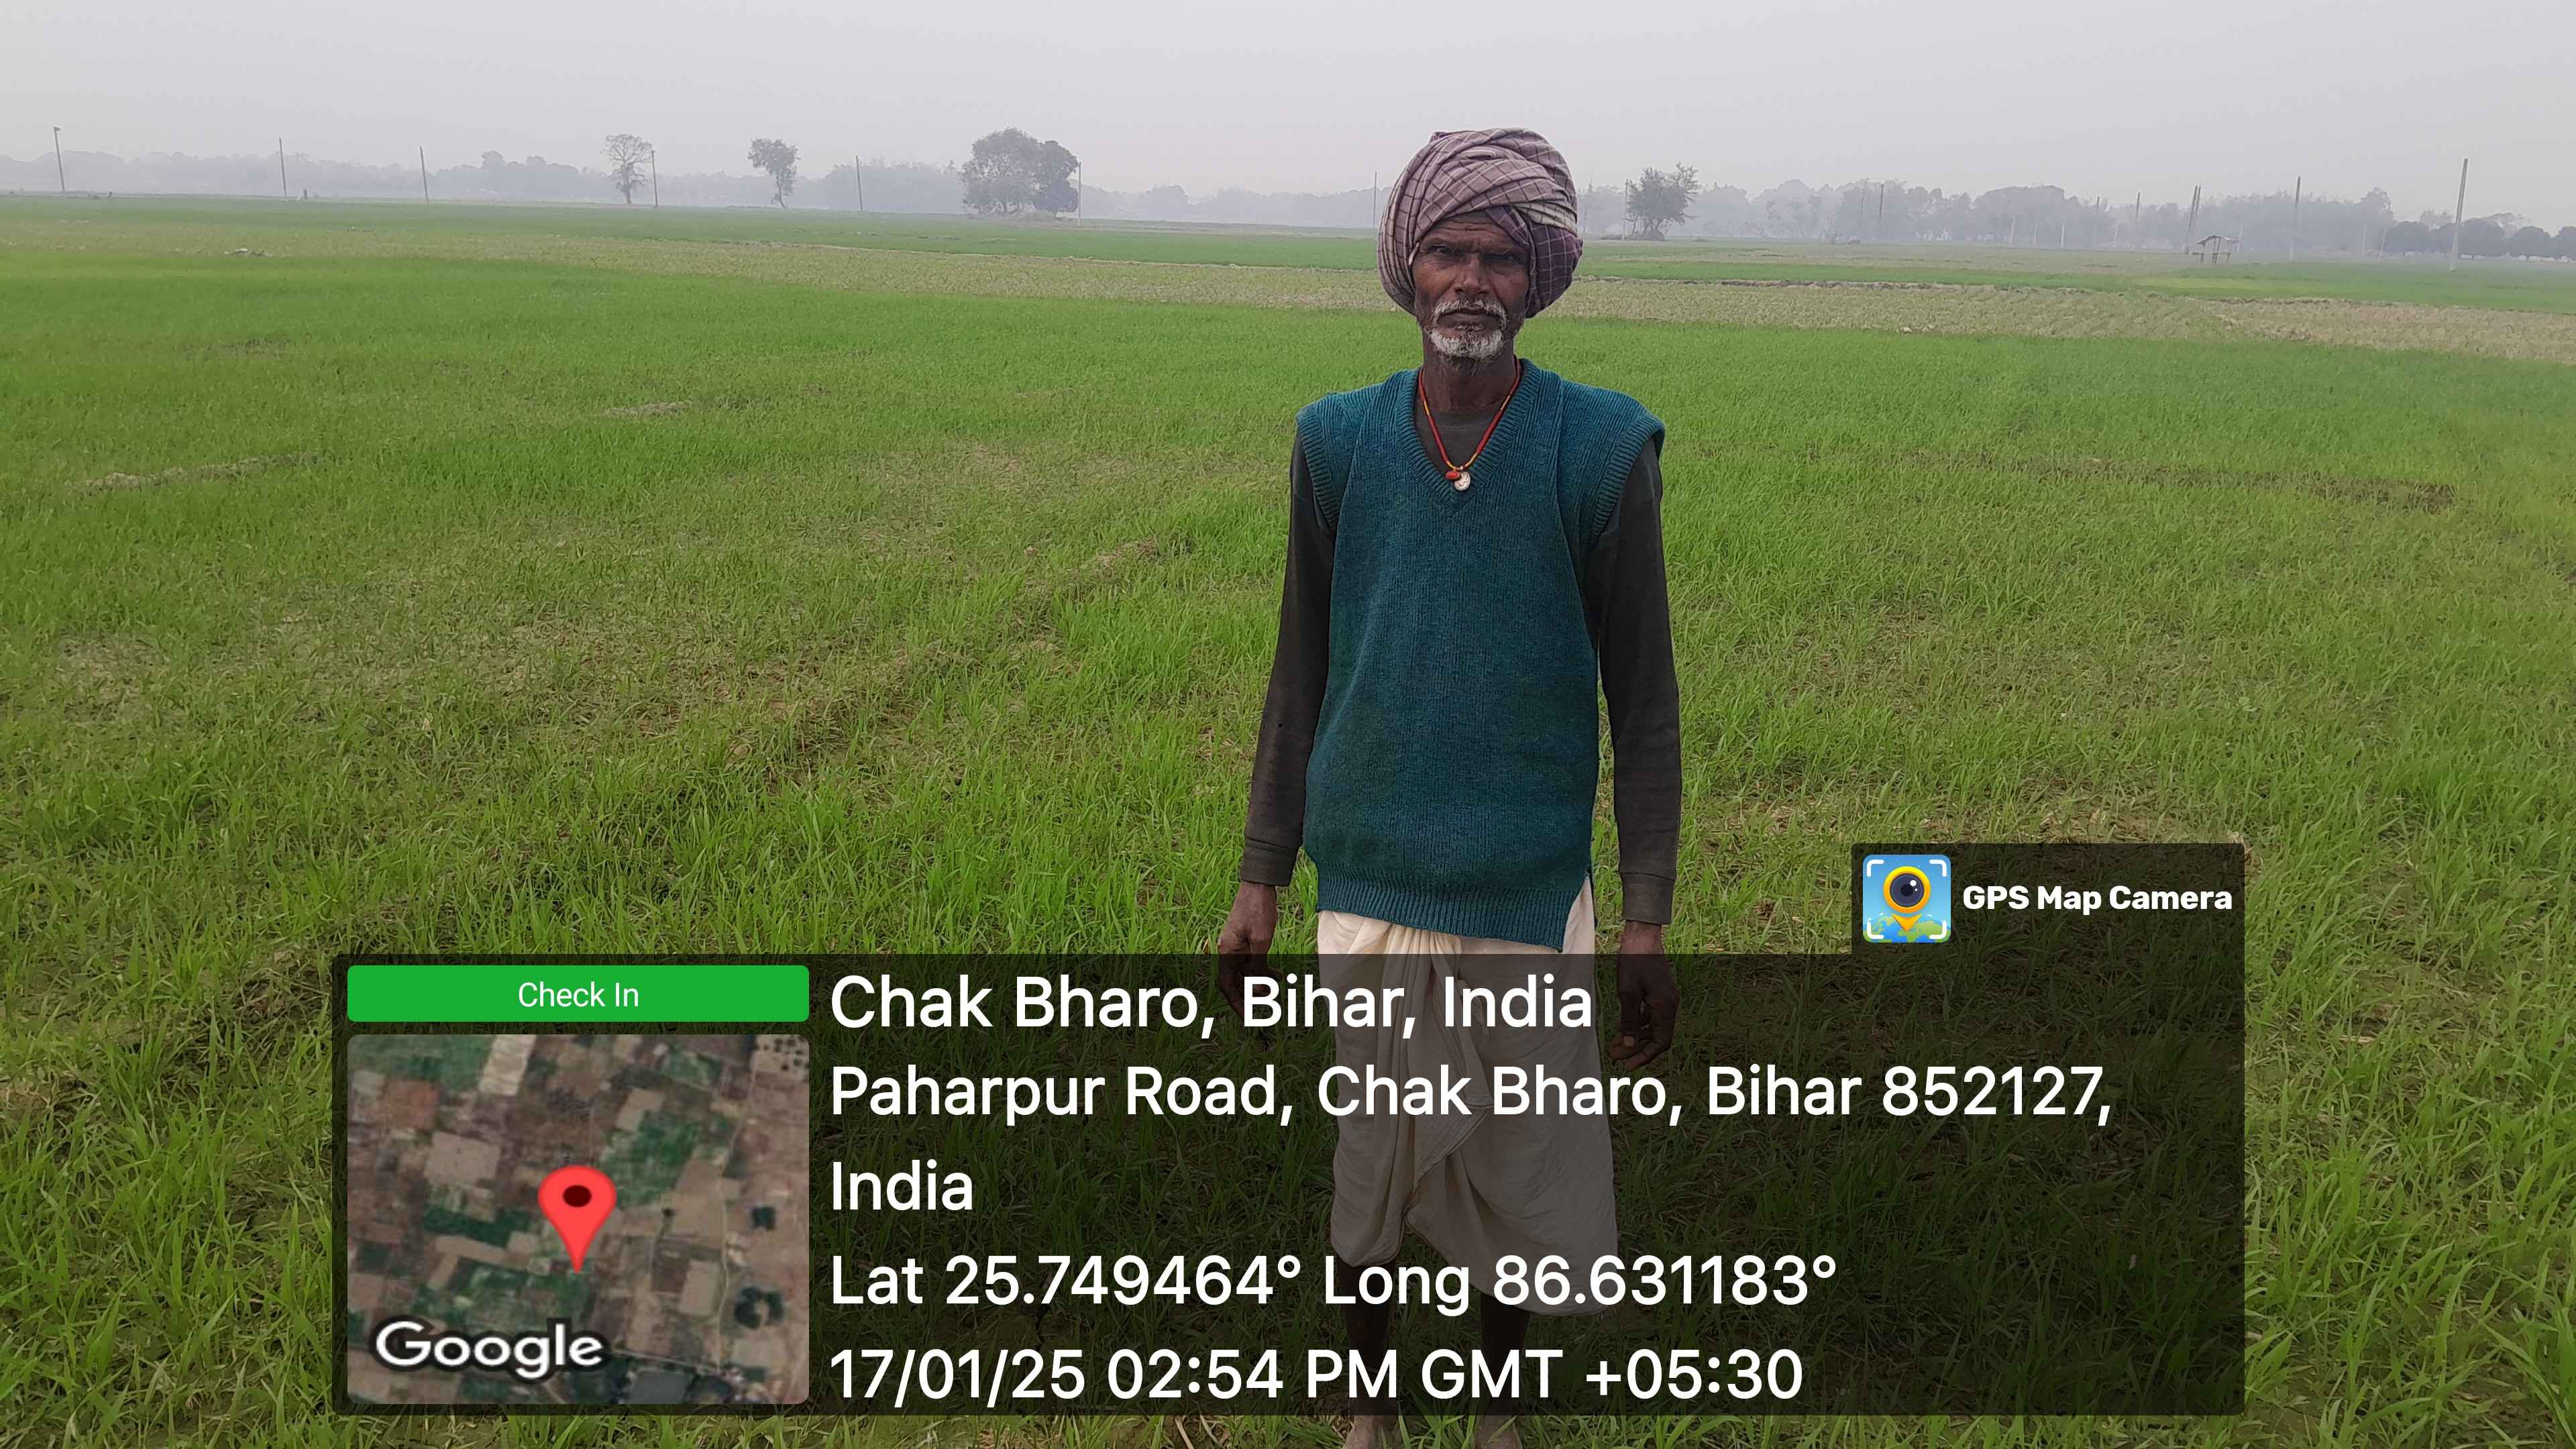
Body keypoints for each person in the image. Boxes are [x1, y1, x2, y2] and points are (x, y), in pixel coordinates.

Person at [1216, 127, 1683, 1449]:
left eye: (1499, 257)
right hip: (1369, 876)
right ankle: (1371, 1411)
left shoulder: (1602, 449)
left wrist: (1645, 920)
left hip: (1526, 884)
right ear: (1406, 269)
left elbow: (1646, 703)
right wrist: (1260, 876)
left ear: (1537, 281)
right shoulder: (1337, 442)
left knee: (1512, 1170)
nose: (1471, 279)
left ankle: (1496, 1412)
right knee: (1372, 1167)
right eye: (1447, 251)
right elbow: (1299, 669)